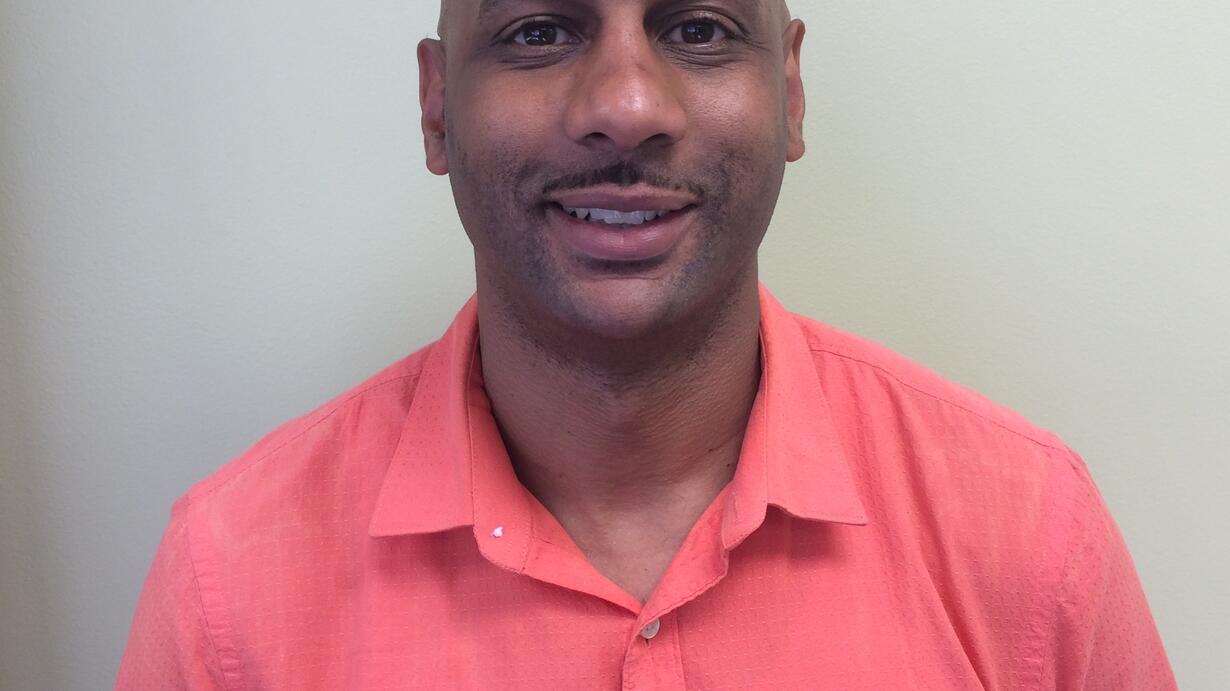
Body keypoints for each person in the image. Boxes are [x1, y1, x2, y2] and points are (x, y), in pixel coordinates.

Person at [117, 0, 1176, 688]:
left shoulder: (1031, 537)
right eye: (540, 31)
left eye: (699, 28)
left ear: (791, 90)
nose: (626, 107)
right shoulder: (229, 590)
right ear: (437, 106)